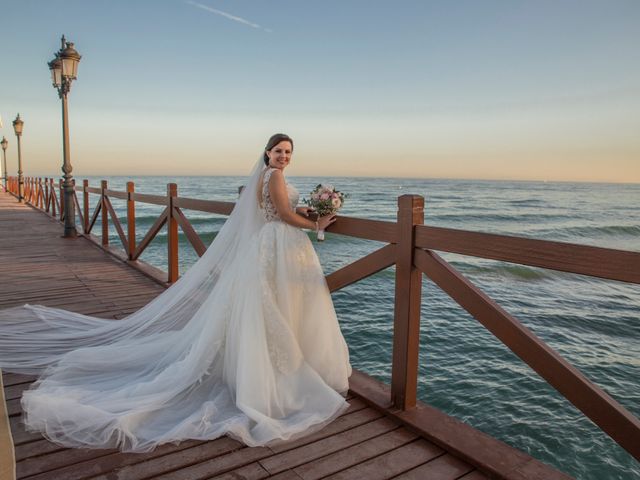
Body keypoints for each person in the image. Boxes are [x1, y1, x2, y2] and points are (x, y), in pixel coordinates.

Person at [0, 133, 352, 452]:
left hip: (268, 247)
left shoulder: (264, 177)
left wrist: (305, 209)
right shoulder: (273, 175)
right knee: (278, 309)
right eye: (279, 151)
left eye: (289, 152)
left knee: (268, 310)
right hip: (277, 245)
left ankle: (258, 371)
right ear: (267, 153)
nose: (284, 156)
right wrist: (316, 224)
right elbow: (284, 216)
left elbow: (275, 209)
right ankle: (275, 380)